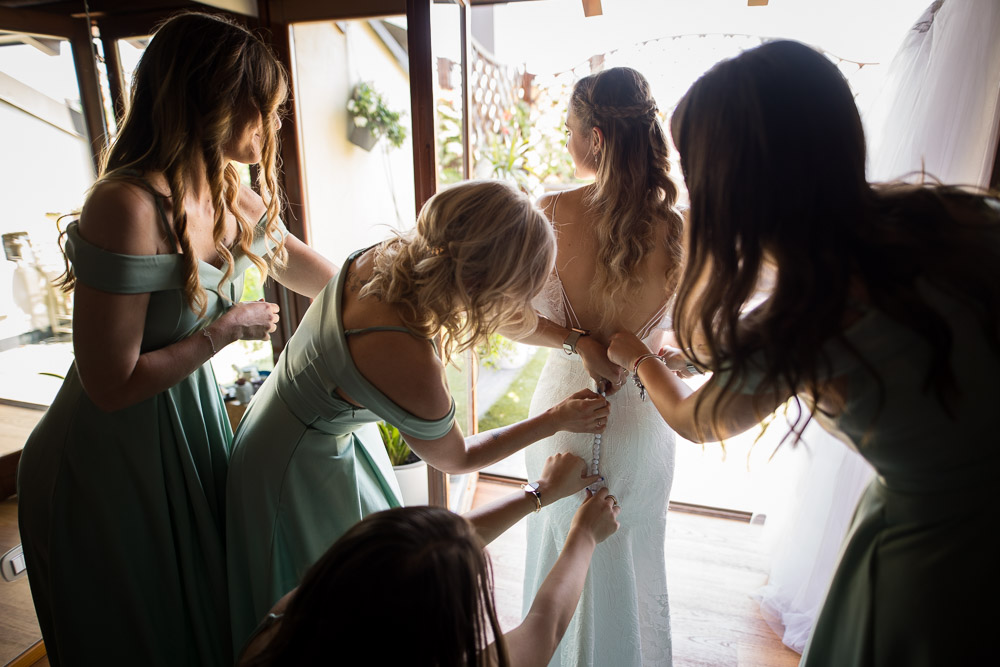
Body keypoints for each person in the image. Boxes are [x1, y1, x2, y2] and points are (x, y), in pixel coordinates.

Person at [608, 40, 1000, 667]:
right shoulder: (962, 216)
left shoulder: (806, 319)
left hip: (936, 563)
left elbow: (697, 420)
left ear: (732, 185)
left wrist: (640, 357)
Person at [16, 12, 337, 666]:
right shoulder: (126, 205)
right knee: (139, 635)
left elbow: (316, 272)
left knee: (206, 616)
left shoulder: (231, 188)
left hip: (188, 427)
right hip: (105, 457)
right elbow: (109, 386)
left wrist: (392, 297)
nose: (276, 126)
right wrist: (226, 329)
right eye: (265, 110)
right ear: (215, 101)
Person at [226, 179, 612, 652]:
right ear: (483, 289)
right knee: (339, 632)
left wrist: (575, 340)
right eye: (518, 295)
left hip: (291, 426)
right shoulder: (408, 360)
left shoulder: (394, 257)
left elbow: (513, 320)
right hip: (296, 474)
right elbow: (457, 457)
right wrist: (555, 418)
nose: (522, 307)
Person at [509, 66, 684, 666]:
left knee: (562, 549)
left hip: (563, 418)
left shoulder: (552, 210)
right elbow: (701, 341)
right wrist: (651, 352)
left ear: (596, 139)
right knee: (631, 561)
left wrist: (574, 341)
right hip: (643, 422)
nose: (566, 141)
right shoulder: (679, 229)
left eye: (571, 128)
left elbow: (511, 319)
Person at [238, 453, 620, 666]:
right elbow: (544, 627)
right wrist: (585, 534)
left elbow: (427, 547)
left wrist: (538, 493)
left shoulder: (285, 624)